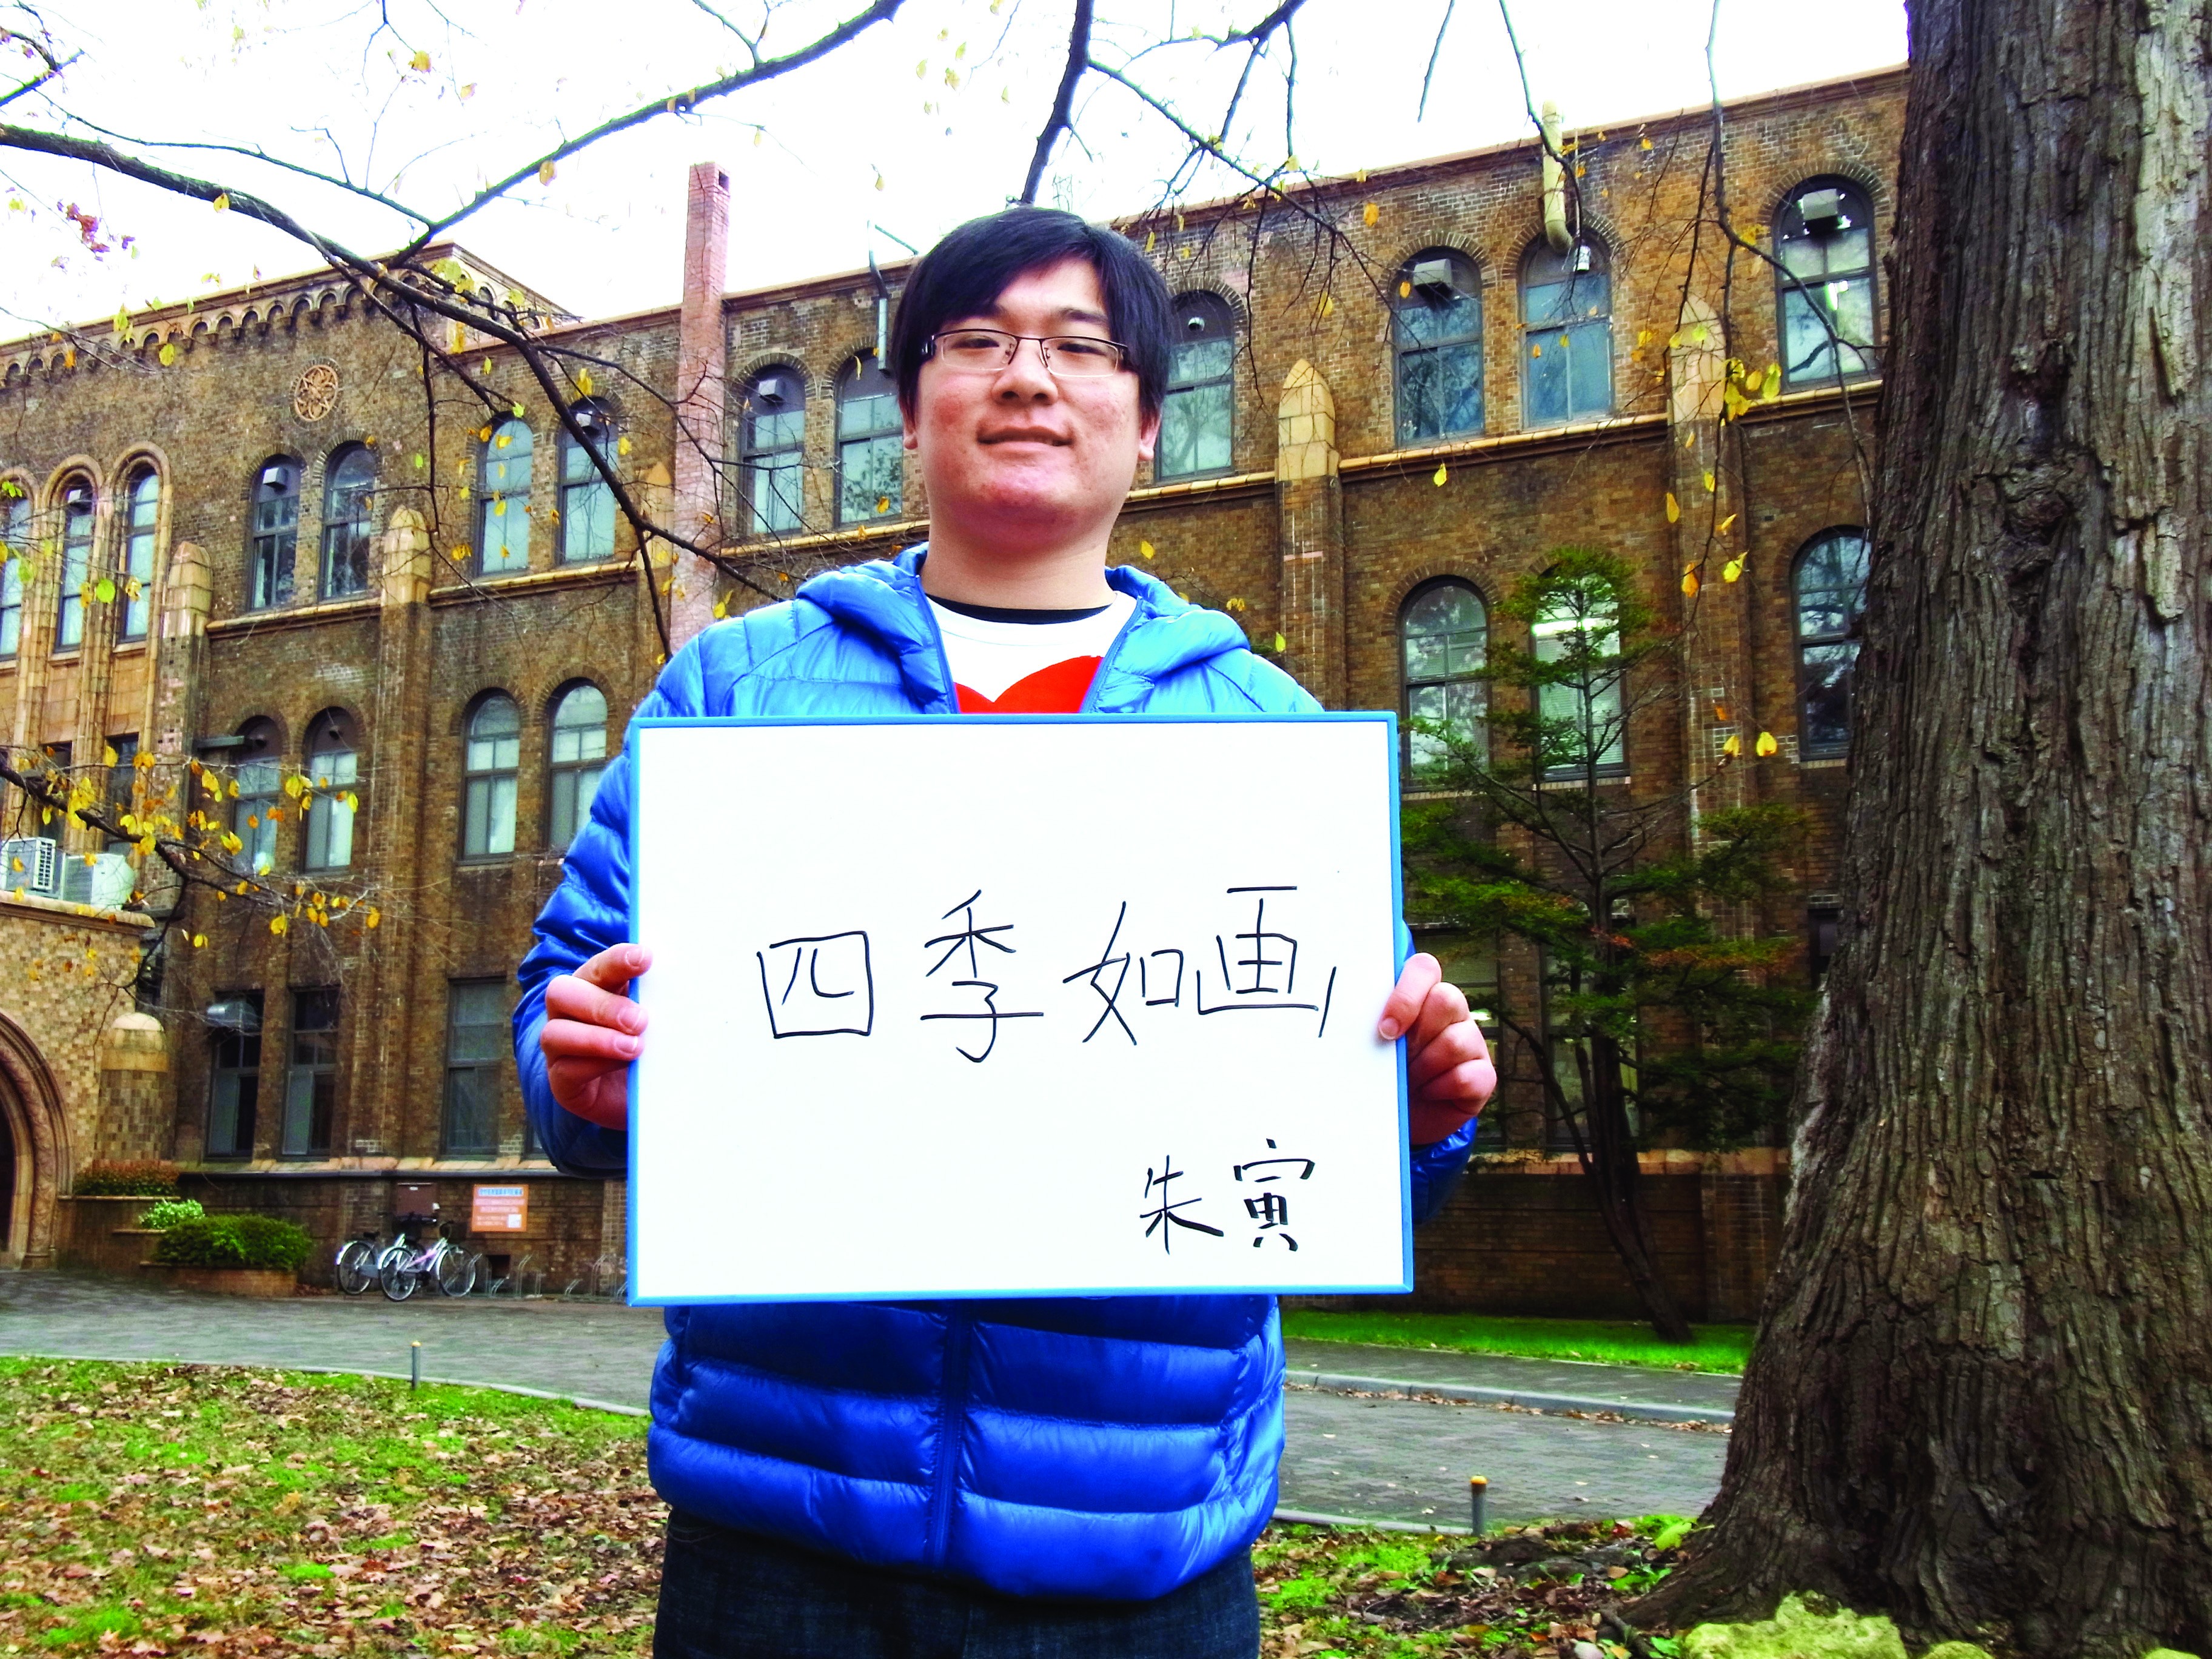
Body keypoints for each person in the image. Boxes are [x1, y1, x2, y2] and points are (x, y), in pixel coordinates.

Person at [514, 206, 1496, 1659]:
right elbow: (563, 1014)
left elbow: (1350, 1112)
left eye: (1080, 348)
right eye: (978, 341)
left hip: (1139, 1550)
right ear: (911, 411)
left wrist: (1416, 1118)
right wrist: (575, 1066)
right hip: (782, 1534)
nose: (1028, 377)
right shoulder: (733, 694)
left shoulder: (1263, 734)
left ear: (1148, 426)